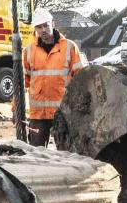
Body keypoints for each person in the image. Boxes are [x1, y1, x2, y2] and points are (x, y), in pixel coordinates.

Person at [21, 9, 86, 146]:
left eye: (46, 25)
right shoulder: (28, 51)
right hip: (38, 115)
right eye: (39, 27)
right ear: (35, 29)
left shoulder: (69, 47)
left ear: (53, 24)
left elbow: (81, 79)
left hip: (63, 113)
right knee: (36, 154)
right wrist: (16, 104)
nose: (43, 30)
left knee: (66, 154)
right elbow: (23, 82)